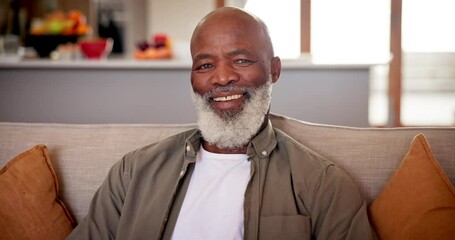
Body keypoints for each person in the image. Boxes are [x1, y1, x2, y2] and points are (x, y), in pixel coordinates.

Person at [67, 7, 374, 240]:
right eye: (205, 65)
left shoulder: (322, 184)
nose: (222, 77)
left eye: (241, 60)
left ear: (274, 70)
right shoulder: (133, 173)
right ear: (192, 77)